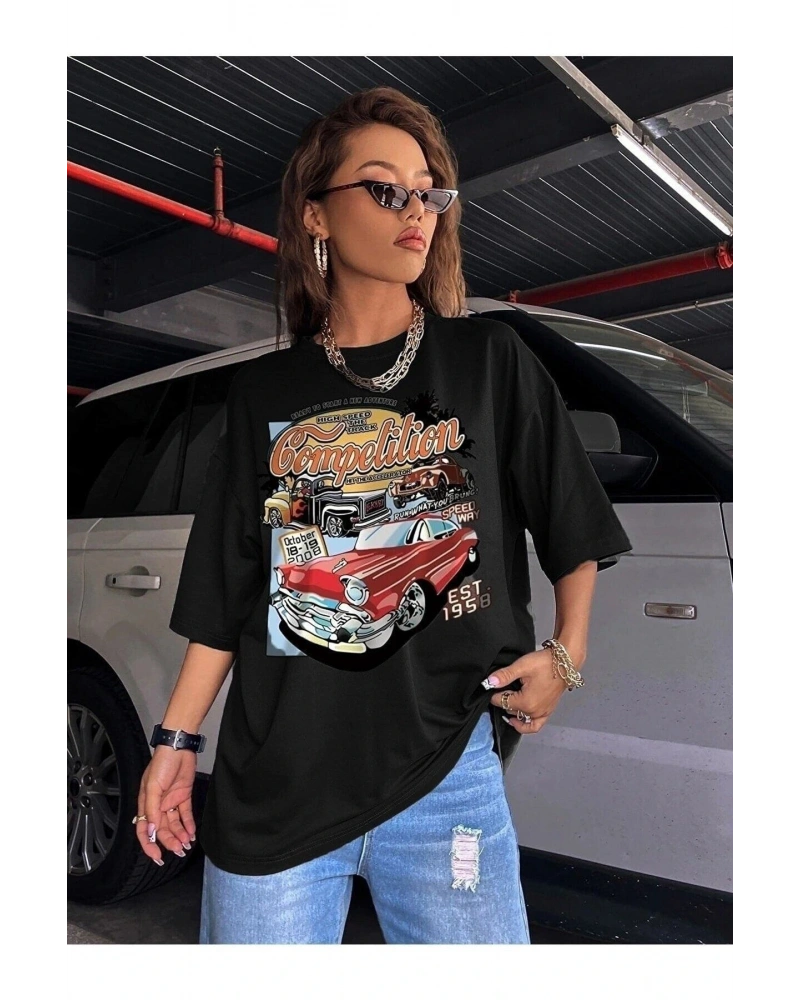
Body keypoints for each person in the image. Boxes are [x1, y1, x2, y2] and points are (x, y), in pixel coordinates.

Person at [133, 86, 633, 944]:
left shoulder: (490, 359)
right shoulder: (262, 391)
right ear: (315, 215)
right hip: (277, 783)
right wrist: (175, 741)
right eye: (385, 188)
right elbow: (227, 592)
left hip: (447, 776)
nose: (416, 211)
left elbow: (571, 522)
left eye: (429, 192)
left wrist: (568, 653)